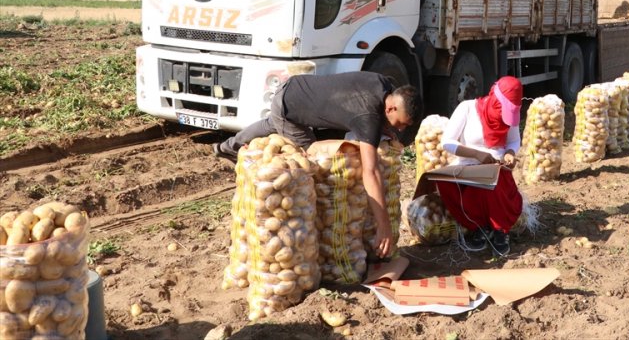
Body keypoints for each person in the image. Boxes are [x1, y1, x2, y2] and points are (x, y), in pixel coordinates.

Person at [213, 71, 422, 258]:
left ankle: (227, 147)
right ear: (391, 107)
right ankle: (233, 148)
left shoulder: (383, 83)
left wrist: (384, 128)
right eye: (400, 123)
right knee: (314, 158)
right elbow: (371, 171)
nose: (400, 130)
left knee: (275, 122)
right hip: (289, 104)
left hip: (296, 89)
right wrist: (383, 225)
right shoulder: (368, 115)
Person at [437, 76, 524, 257]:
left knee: (491, 185)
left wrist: (509, 154)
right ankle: (479, 227)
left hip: (495, 166)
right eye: (502, 112)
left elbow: (514, 141)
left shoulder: (511, 118)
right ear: (494, 99)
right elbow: (447, 142)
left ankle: (500, 230)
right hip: (467, 163)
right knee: (445, 184)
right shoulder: (467, 109)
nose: (503, 119)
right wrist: (476, 154)